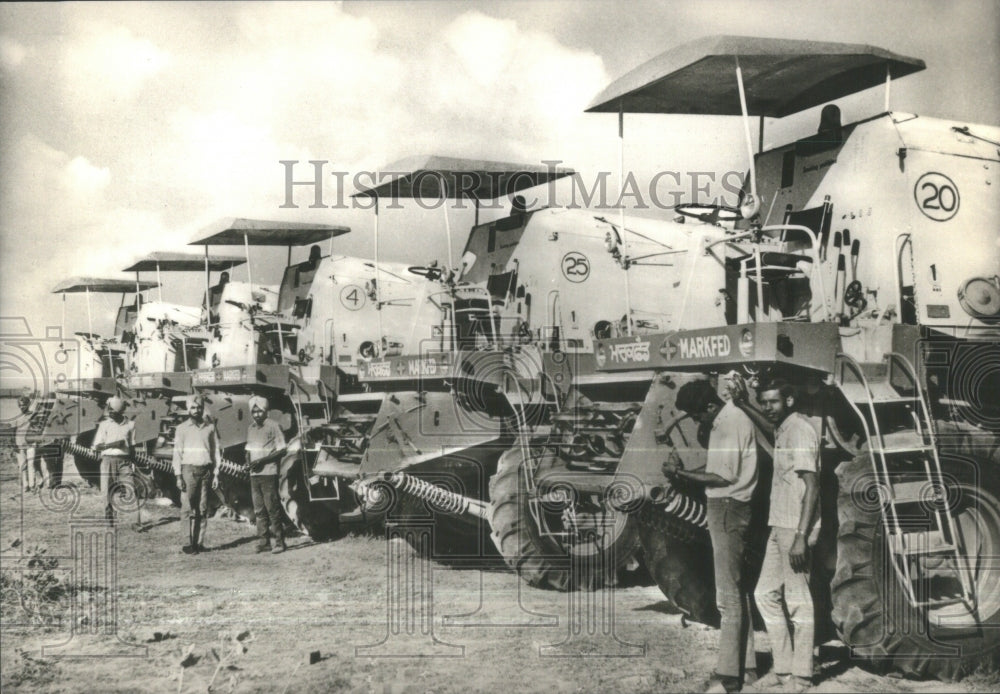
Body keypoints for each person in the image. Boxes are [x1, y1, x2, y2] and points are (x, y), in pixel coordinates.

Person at [664, 378, 758, 693]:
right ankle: (748, 666)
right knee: (738, 589)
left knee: (727, 597)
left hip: (728, 507)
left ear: (709, 406)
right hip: (729, 507)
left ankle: (729, 676)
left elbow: (721, 475)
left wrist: (679, 474)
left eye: (696, 415)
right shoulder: (725, 420)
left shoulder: (730, 423)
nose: (695, 422)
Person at [730, 377, 819, 693]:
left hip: (794, 527)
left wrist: (801, 535)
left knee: (798, 601)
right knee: (764, 595)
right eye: (764, 402)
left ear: (790, 402)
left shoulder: (801, 431)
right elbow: (769, 429)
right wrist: (743, 403)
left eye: (773, 402)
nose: (768, 408)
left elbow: (812, 487)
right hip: (778, 525)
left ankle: (803, 675)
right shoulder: (784, 429)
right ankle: (784, 669)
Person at [172, 395, 221, 554]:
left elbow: (216, 452)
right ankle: (187, 544)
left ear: (202, 408)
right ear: (188, 409)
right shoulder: (182, 428)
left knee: (202, 508)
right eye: (193, 407)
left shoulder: (210, 428)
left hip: (205, 471)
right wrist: (178, 476)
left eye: (199, 407)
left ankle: (199, 543)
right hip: (189, 471)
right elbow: (177, 453)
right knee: (186, 508)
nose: (196, 410)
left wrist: (216, 473)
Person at [245, 395, 287, 554]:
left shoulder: (274, 426)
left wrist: (262, 461)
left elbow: (282, 450)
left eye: (259, 411)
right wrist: (248, 462)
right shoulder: (251, 428)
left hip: (268, 473)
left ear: (266, 411)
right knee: (259, 510)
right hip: (254, 475)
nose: (256, 415)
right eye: (253, 412)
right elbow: (248, 450)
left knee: (272, 509)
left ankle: (279, 542)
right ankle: (264, 542)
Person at [92, 396, 137, 526]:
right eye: (109, 410)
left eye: (112, 410)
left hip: (124, 462)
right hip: (107, 460)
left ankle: (136, 523)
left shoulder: (130, 425)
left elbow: (132, 446)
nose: (109, 412)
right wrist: (114, 444)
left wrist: (132, 463)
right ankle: (109, 519)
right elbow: (97, 446)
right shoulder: (104, 425)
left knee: (132, 490)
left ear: (119, 410)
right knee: (106, 492)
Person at [13, 396, 38, 492]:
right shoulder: (17, 417)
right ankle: (25, 485)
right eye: (20, 405)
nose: (22, 407)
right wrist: (14, 444)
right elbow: (13, 430)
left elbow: (38, 428)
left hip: (31, 444)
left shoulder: (33, 415)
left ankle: (32, 485)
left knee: (31, 464)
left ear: (28, 405)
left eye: (24, 405)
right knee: (22, 466)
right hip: (19, 444)